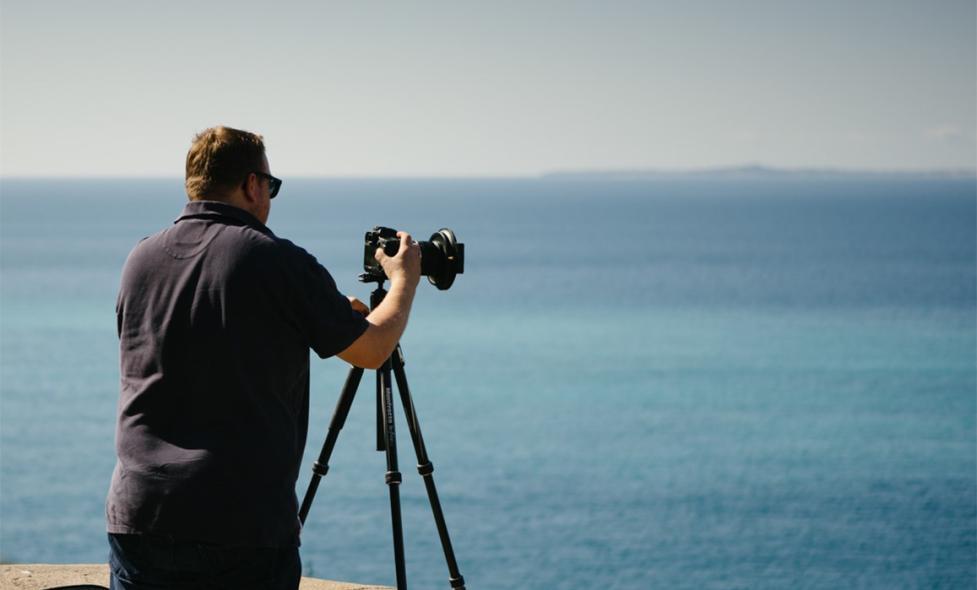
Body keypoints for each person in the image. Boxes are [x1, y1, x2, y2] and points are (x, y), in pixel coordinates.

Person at [106, 126, 421, 589]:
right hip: (239, 521)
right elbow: (373, 350)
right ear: (252, 184)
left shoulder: (141, 259)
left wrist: (316, 316)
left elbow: (196, 334)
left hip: (139, 515)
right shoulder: (276, 260)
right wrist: (404, 280)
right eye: (270, 186)